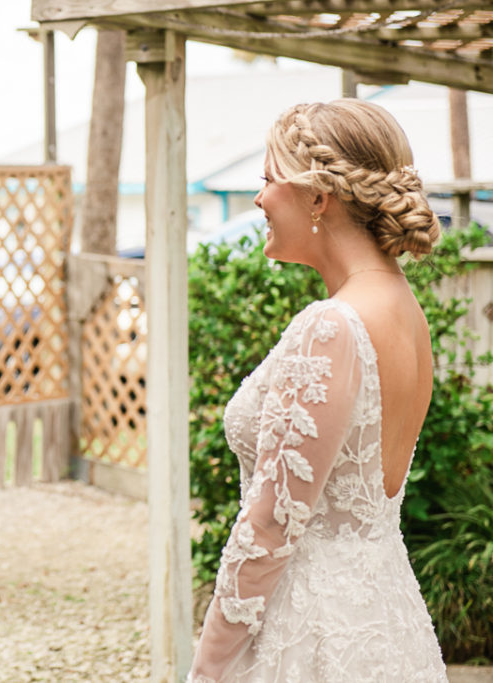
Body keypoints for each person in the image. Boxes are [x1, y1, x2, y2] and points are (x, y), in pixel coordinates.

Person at [187, 99, 448, 682]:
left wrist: (207, 667)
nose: (259, 199)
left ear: (317, 197)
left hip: (312, 637)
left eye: (267, 179)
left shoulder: (330, 326)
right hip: (385, 621)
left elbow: (272, 524)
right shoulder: (407, 313)